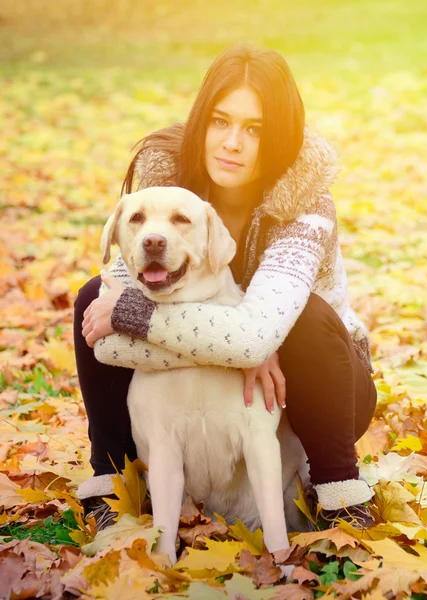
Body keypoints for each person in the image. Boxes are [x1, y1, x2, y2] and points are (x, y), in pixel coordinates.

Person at [74, 42, 377, 532]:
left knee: (307, 320)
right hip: (219, 383)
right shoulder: (164, 178)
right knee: (95, 296)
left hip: (320, 380)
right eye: (220, 121)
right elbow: (107, 339)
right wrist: (234, 345)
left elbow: (255, 335)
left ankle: (337, 492)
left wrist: (141, 318)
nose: (232, 142)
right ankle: (112, 483)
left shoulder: (306, 203)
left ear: (277, 137)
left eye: (254, 129)